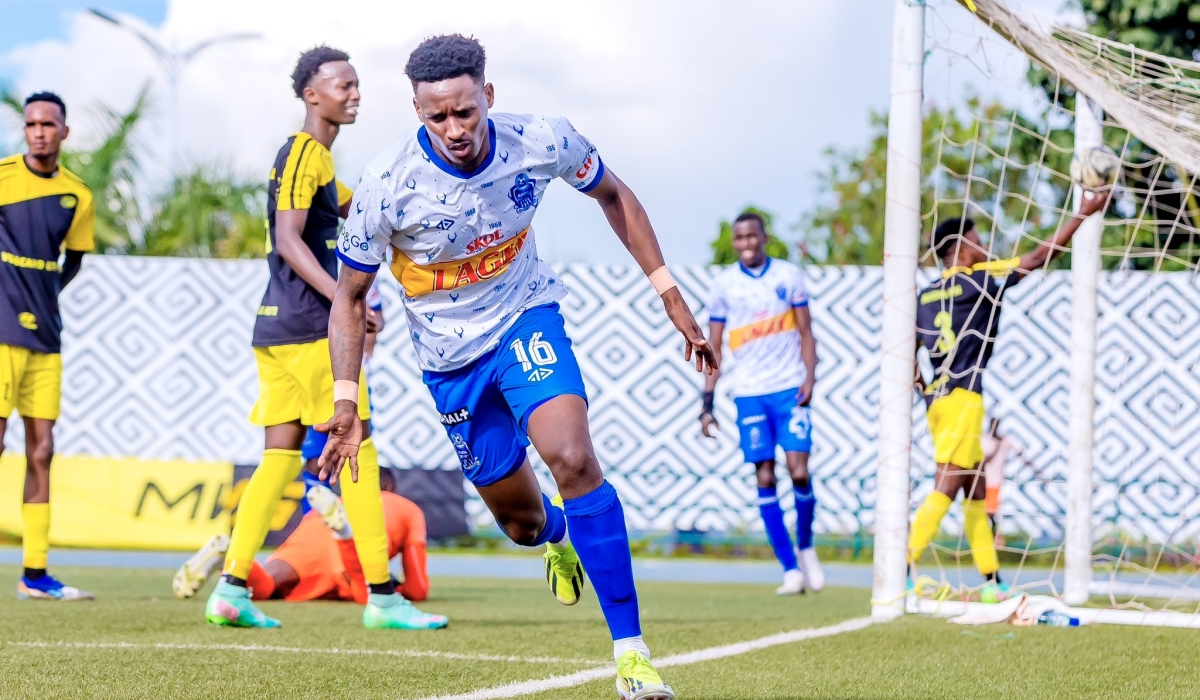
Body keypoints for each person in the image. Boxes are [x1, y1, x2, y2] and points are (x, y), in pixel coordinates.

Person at [323, 35, 716, 700]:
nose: (453, 129)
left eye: (465, 112)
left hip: (526, 319)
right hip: (450, 364)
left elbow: (614, 195)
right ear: (417, 112)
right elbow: (350, 298)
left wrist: (669, 293)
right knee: (521, 525)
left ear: (488, 97)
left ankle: (632, 652)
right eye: (436, 118)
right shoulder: (386, 188)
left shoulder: (541, 141)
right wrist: (343, 401)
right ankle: (558, 535)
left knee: (572, 457)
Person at [204, 46, 440, 631]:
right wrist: (347, 303)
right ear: (312, 95)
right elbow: (288, 239)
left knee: (279, 461)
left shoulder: (321, 167)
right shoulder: (303, 152)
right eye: (343, 85)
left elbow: (357, 216)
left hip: (276, 327)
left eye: (358, 84)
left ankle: (231, 590)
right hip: (310, 331)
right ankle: (382, 598)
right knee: (358, 445)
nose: (354, 93)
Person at [909, 191, 1108, 600]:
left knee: (975, 489)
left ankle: (990, 581)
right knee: (948, 483)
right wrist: (1084, 213)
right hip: (964, 396)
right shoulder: (981, 280)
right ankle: (901, 562)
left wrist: (926, 393)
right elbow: (1037, 258)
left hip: (939, 400)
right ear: (961, 248)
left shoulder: (924, 294)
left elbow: (909, 352)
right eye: (978, 240)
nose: (985, 247)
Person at [0, 92, 95, 601]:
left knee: (42, 450)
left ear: (64, 131)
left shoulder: (78, 194)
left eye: (48, 124)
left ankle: (34, 575)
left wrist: (44, 295)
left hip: (46, 339)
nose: (39, 131)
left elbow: (74, 259)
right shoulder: (3, 176)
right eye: (31, 123)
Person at [700, 212, 823, 596]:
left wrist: (810, 377)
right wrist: (707, 403)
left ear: (765, 237)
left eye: (752, 235)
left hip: (789, 388)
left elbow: (806, 332)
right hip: (749, 392)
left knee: (798, 471)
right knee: (765, 476)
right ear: (734, 242)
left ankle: (805, 547)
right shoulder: (724, 285)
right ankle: (789, 569)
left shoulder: (788, 276)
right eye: (740, 237)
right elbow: (714, 348)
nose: (746, 242)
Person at [175, 473, 441, 619]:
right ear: (391, 486)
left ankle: (228, 556)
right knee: (371, 597)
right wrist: (397, 587)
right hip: (353, 553)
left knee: (266, 585)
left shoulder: (341, 501)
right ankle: (345, 536)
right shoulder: (409, 510)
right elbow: (418, 586)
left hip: (313, 527)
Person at [299, 276, 385, 514]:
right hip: (319, 379)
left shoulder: (364, 270)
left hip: (355, 385)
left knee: (355, 457)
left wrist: (367, 322)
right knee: (317, 461)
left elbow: (377, 318)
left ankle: (358, 537)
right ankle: (315, 531)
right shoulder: (316, 267)